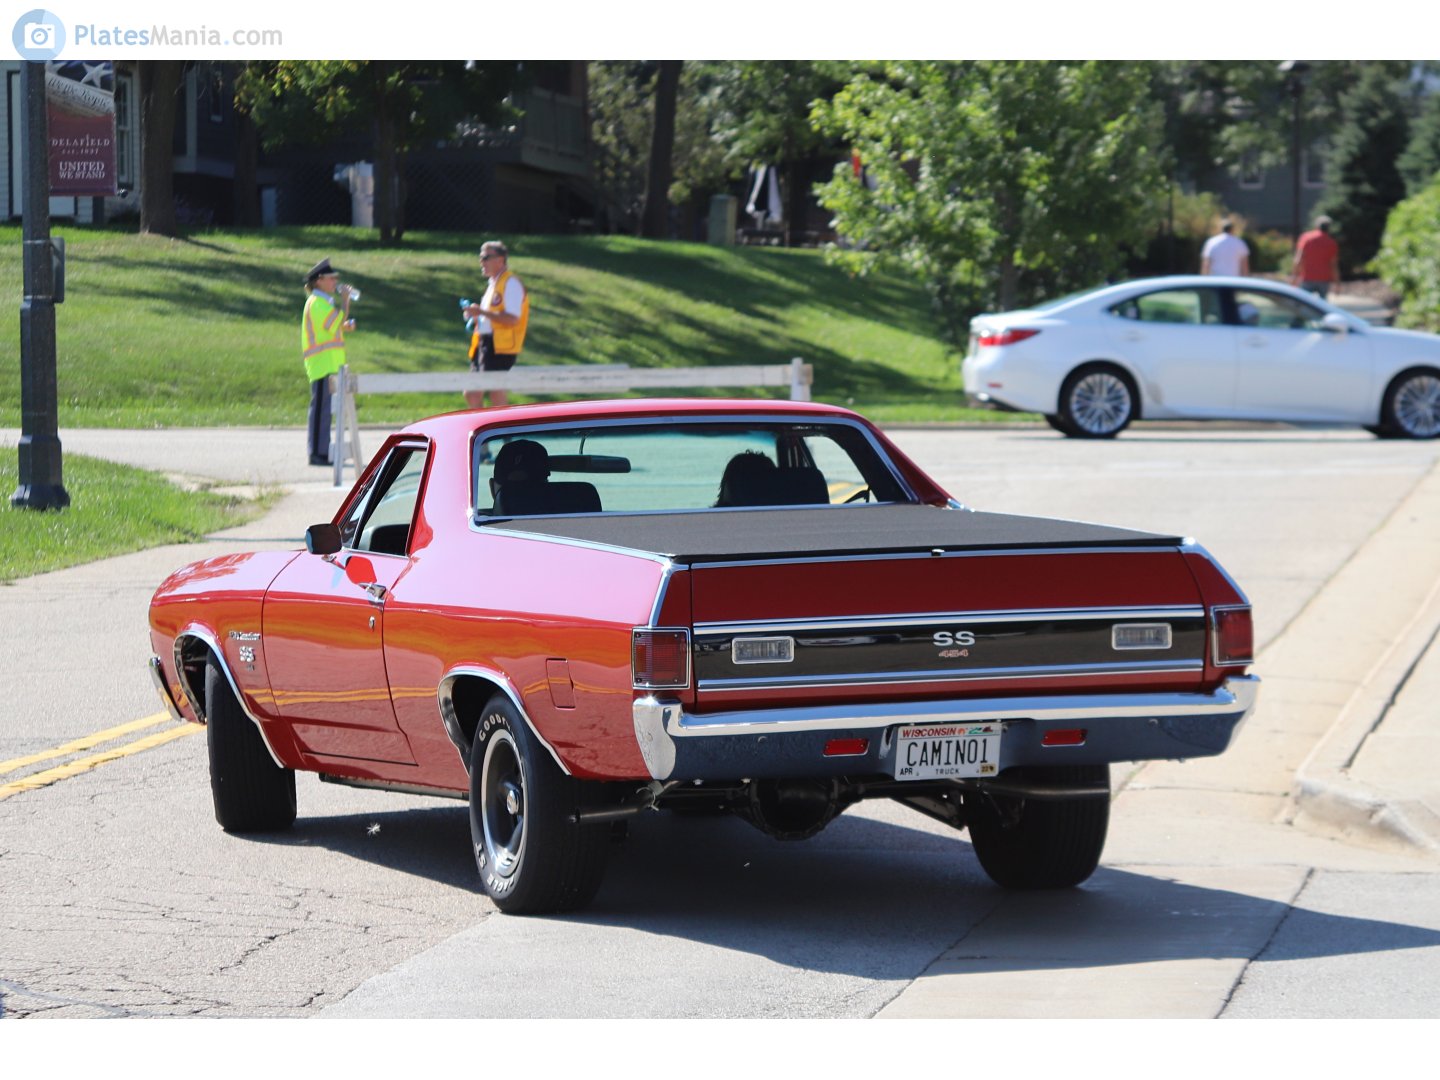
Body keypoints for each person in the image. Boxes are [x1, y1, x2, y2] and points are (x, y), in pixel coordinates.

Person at [300, 258, 355, 466]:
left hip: (329, 364)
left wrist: (344, 325)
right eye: (332, 279)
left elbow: (333, 327)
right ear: (319, 280)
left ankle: (322, 450)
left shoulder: (322, 303)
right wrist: (346, 301)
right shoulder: (316, 303)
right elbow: (336, 322)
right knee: (320, 410)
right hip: (322, 364)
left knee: (325, 410)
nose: (335, 282)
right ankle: (316, 452)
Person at [463, 240, 530, 409]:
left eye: (486, 257)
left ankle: (503, 432)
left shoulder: (511, 283)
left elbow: (512, 318)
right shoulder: (493, 284)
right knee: (472, 393)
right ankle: (486, 430)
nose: (481, 262)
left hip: (500, 345)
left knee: (494, 390)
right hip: (484, 343)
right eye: (480, 257)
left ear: (500, 260)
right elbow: (491, 318)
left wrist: (482, 313)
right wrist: (476, 316)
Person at [1291, 214, 1341, 298]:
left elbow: (1298, 259)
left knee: (1304, 304)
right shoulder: (1331, 243)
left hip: (1307, 277)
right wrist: (1337, 284)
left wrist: (1294, 277)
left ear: (1317, 226)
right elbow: (1333, 265)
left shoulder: (1306, 238)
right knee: (1321, 307)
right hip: (1324, 279)